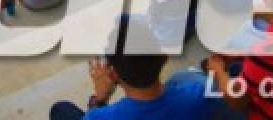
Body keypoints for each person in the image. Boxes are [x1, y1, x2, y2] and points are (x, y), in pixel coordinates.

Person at [49, 15, 220, 119]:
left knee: (61, 109)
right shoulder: (200, 93)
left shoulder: (100, 116)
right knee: (183, 77)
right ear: (164, 57)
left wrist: (100, 99)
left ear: (113, 75)